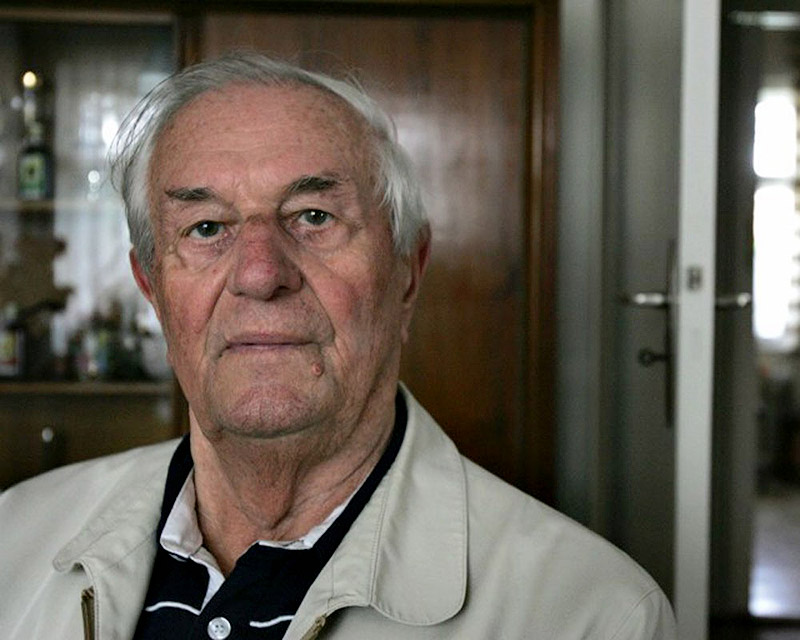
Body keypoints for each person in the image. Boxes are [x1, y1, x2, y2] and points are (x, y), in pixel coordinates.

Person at [0, 53, 677, 639]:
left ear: (407, 273)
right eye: (206, 227)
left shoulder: (592, 614)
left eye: (314, 217)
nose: (260, 273)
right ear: (152, 287)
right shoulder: (13, 538)